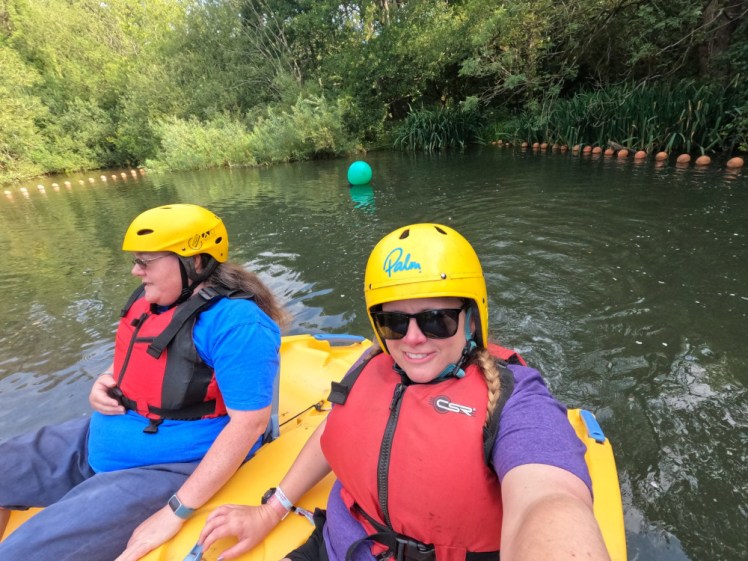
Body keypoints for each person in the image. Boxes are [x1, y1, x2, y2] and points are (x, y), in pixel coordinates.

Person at [198, 223, 611, 561]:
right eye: (394, 322)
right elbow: (336, 432)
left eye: (436, 320)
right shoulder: (370, 366)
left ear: (470, 319)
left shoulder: (513, 400)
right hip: (334, 547)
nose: (412, 339)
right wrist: (272, 512)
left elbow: (549, 500)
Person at [0, 203, 289, 561]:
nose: (136, 271)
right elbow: (134, 358)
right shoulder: (156, 299)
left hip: (165, 467)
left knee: (22, 553)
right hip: (96, 441)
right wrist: (104, 380)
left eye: (146, 261)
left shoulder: (238, 323)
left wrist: (175, 511)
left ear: (195, 262)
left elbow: (250, 424)